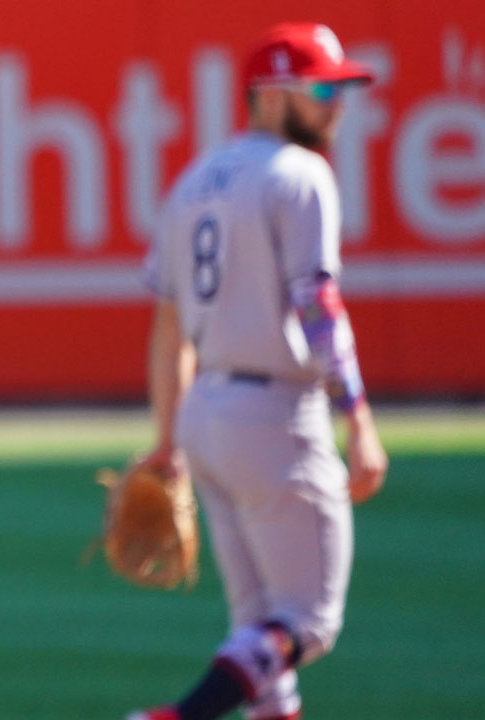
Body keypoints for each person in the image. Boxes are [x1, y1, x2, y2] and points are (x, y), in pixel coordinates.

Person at [126, 23, 388, 720]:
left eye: (342, 88)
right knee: (308, 623)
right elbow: (317, 302)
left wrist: (167, 437)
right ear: (270, 96)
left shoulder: (193, 180)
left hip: (207, 412)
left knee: (258, 636)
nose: (337, 104)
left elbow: (168, 324)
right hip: (276, 415)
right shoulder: (300, 175)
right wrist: (357, 418)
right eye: (322, 87)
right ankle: (177, 718)